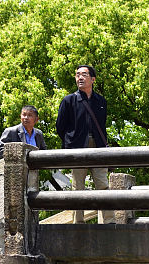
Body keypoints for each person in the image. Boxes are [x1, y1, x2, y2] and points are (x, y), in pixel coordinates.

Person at [56, 64, 113, 224]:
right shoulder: (69, 100)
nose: (80, 78)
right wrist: (72, 143)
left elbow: (102, 125)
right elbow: (60, 127)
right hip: (77, 147)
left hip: (99, 146)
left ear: (93, 79)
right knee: (77, 187)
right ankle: (78, 223)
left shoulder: (101, 101)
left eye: (84, 75)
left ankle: (109, 221)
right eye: (77, 75)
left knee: (103, 185)